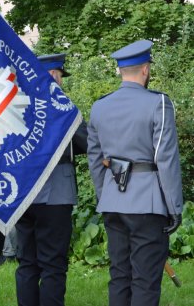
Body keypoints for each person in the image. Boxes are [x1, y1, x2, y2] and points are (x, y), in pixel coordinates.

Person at [87, 39, 183, 306]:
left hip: (113, 203)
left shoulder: (99, 107)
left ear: (120, 71)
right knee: (145, 279)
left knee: (119, 275)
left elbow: (95, 160)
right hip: (146, 203)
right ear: (145, 70)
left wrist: (105, 195)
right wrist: (174, 206)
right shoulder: (158, 103)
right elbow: (165, 158)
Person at [15, 53, 88, 306]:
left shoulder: (17, 106)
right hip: (56, 193)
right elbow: (86, 141)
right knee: (53, 265)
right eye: (60, 76)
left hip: (23, 192)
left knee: (27, 263)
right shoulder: (61, 106)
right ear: (53, 75)